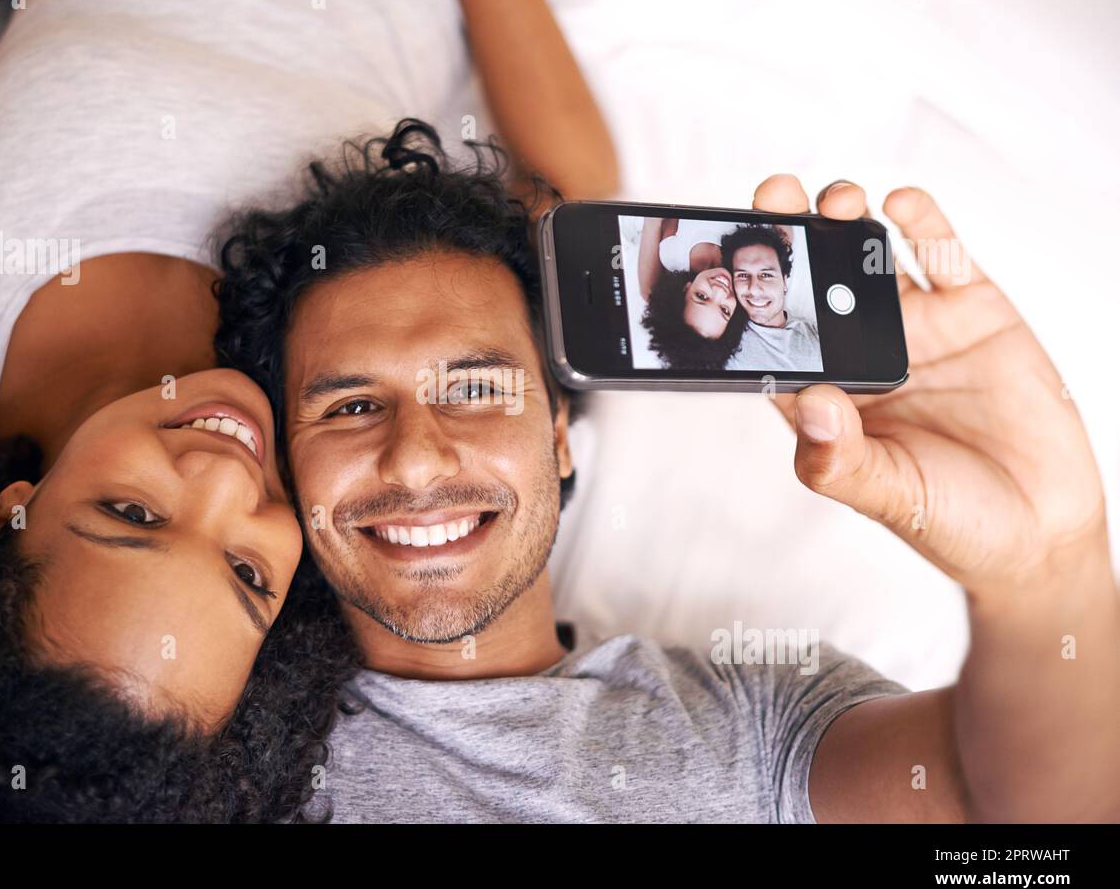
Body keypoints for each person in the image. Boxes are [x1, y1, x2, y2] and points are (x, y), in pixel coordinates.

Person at [0, 0, 617, 820]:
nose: (227, 477)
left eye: (133, 514)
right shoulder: (344, 417)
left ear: (1, 515)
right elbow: (570, 209)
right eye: (246, 571)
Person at [216, 122, 1119, 823]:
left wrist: (1049, 577)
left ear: (561, 436)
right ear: (288, 466)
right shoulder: (206, 726)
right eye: (350, 406)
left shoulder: (759, 717)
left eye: (478, 388)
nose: (415, 455)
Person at [636, 216, 747, 369]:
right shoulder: (750, 269)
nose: (720, 291)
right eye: (725, 310)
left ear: (686, 288)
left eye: (702, 296)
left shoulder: (674, 254)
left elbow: (654, 218)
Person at [722, 222, 823, 371]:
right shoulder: (722, 334)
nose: (754, 289)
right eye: (743, 275)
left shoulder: (816, 337)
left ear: (785, 281)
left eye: (766, 275)